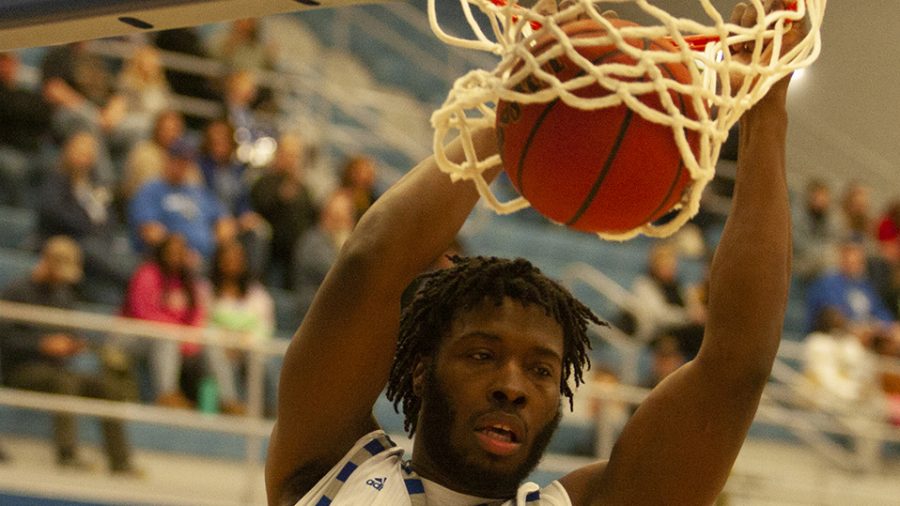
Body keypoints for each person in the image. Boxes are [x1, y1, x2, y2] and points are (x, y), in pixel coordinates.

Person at [265, 3, 802, 504]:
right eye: (482, 354)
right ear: (421, 369)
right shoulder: (331, 464)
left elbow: (738, 366)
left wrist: (768, 108)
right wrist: (518, 109)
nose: (513, 388)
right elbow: (369, 263)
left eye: (542, 371)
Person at [0, 237, 137, 473]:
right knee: (65, 382)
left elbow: (70, 331)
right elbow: (5, 338)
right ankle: (67, 454)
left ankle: (120, 460)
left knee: (106, 387)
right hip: (20, 370)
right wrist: (41, 345)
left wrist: (73, 344)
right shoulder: (17, 291)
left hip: (57, 368)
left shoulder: (64, 295)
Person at [120, 234, 207, 408]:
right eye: (171, 251)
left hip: (175, 339)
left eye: (180, 252)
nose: (176, 256)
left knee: (212, 345)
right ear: (162, 252)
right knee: (167, 338)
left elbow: (197, 315)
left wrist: (189, 339)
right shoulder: (147, 273)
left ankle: (228, 402)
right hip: (133, 336)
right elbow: (142, 313)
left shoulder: (190, 282)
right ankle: (166, 394)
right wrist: (179, 334)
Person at [128, 138, 236, 263]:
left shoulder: (197, 190)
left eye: (186, 162)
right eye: (177, 160)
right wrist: (181, 253)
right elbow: (149, 231)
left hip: (206, 260)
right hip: (168, 262)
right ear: (167, 160)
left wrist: (216, 244)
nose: (181, 166)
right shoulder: (150, 190)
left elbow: (225, 221)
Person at [205, 240, 275, 415]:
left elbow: (265, 327)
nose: (232, 263)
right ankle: (230, 402)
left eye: (237, 258)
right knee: (213, 351)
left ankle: (265, 408)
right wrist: (225, 341)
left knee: (258, 357)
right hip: (215, 349)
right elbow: (201, 323)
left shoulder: (257, 294)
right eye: (227, 259)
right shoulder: (205, 291)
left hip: (247, 348)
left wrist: (243, 343)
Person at [251, 133, 318, 289]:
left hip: (296, 254)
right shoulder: (264, 181)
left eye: (295, 156)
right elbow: (261, 209)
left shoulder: (304, 189)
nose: (291, 160)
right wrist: (282, 197)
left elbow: (311, 217)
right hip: (271, 251)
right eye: (288, 154)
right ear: (278, 154)